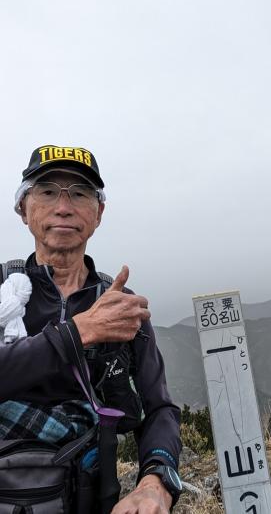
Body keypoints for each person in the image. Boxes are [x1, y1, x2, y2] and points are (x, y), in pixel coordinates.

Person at [0, 145, 182, 513]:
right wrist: (78, 333)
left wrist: (155, 481)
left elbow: (159, 406)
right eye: (47, 190)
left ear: (98, 213)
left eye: (80, 193)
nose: (63, 207)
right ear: (23, 208)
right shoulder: (3, 290)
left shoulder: (120, 304)